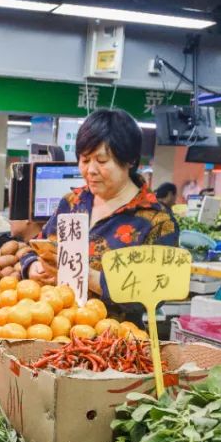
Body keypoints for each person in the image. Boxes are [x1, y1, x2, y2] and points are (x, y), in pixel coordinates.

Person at [20, 108, 179, 314]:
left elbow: (155, 294)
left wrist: (90, 278)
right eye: (85, 160)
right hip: (56, 328)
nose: (90, 170)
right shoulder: (72, 202)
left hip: (113, 339)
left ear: (129, 160)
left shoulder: (156, 221)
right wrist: (33, 266)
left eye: (102, 161)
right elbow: (35, 247)